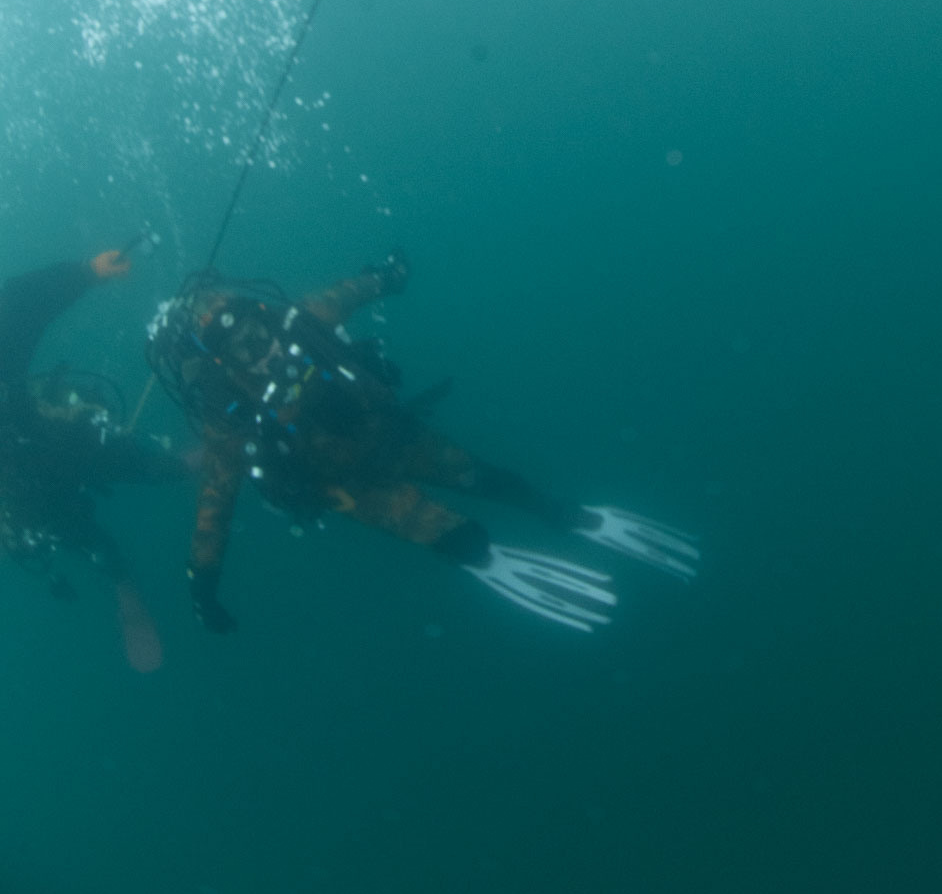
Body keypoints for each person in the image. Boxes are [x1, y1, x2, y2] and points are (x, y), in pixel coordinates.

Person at [145, 254, 698, 635]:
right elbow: (215, 504)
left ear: (265, 322)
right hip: (348, 485)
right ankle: (481, 553)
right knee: (436, 527)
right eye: (244, 353)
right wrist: (205, 582)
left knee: (480, 475)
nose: (262, 354)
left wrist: (387, 275)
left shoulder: (301, 322)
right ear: (224, 366)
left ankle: (570, 516)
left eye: (259, 338)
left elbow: (350, 292)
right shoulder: (229, 419)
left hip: (388, 432)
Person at [0, 248, 185, 670]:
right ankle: (125, 589)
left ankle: (193, 461)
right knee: (63, 528)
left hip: (51, 436)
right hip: (22, 487)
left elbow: (18, 305)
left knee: (143, 465)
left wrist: (85, 273)